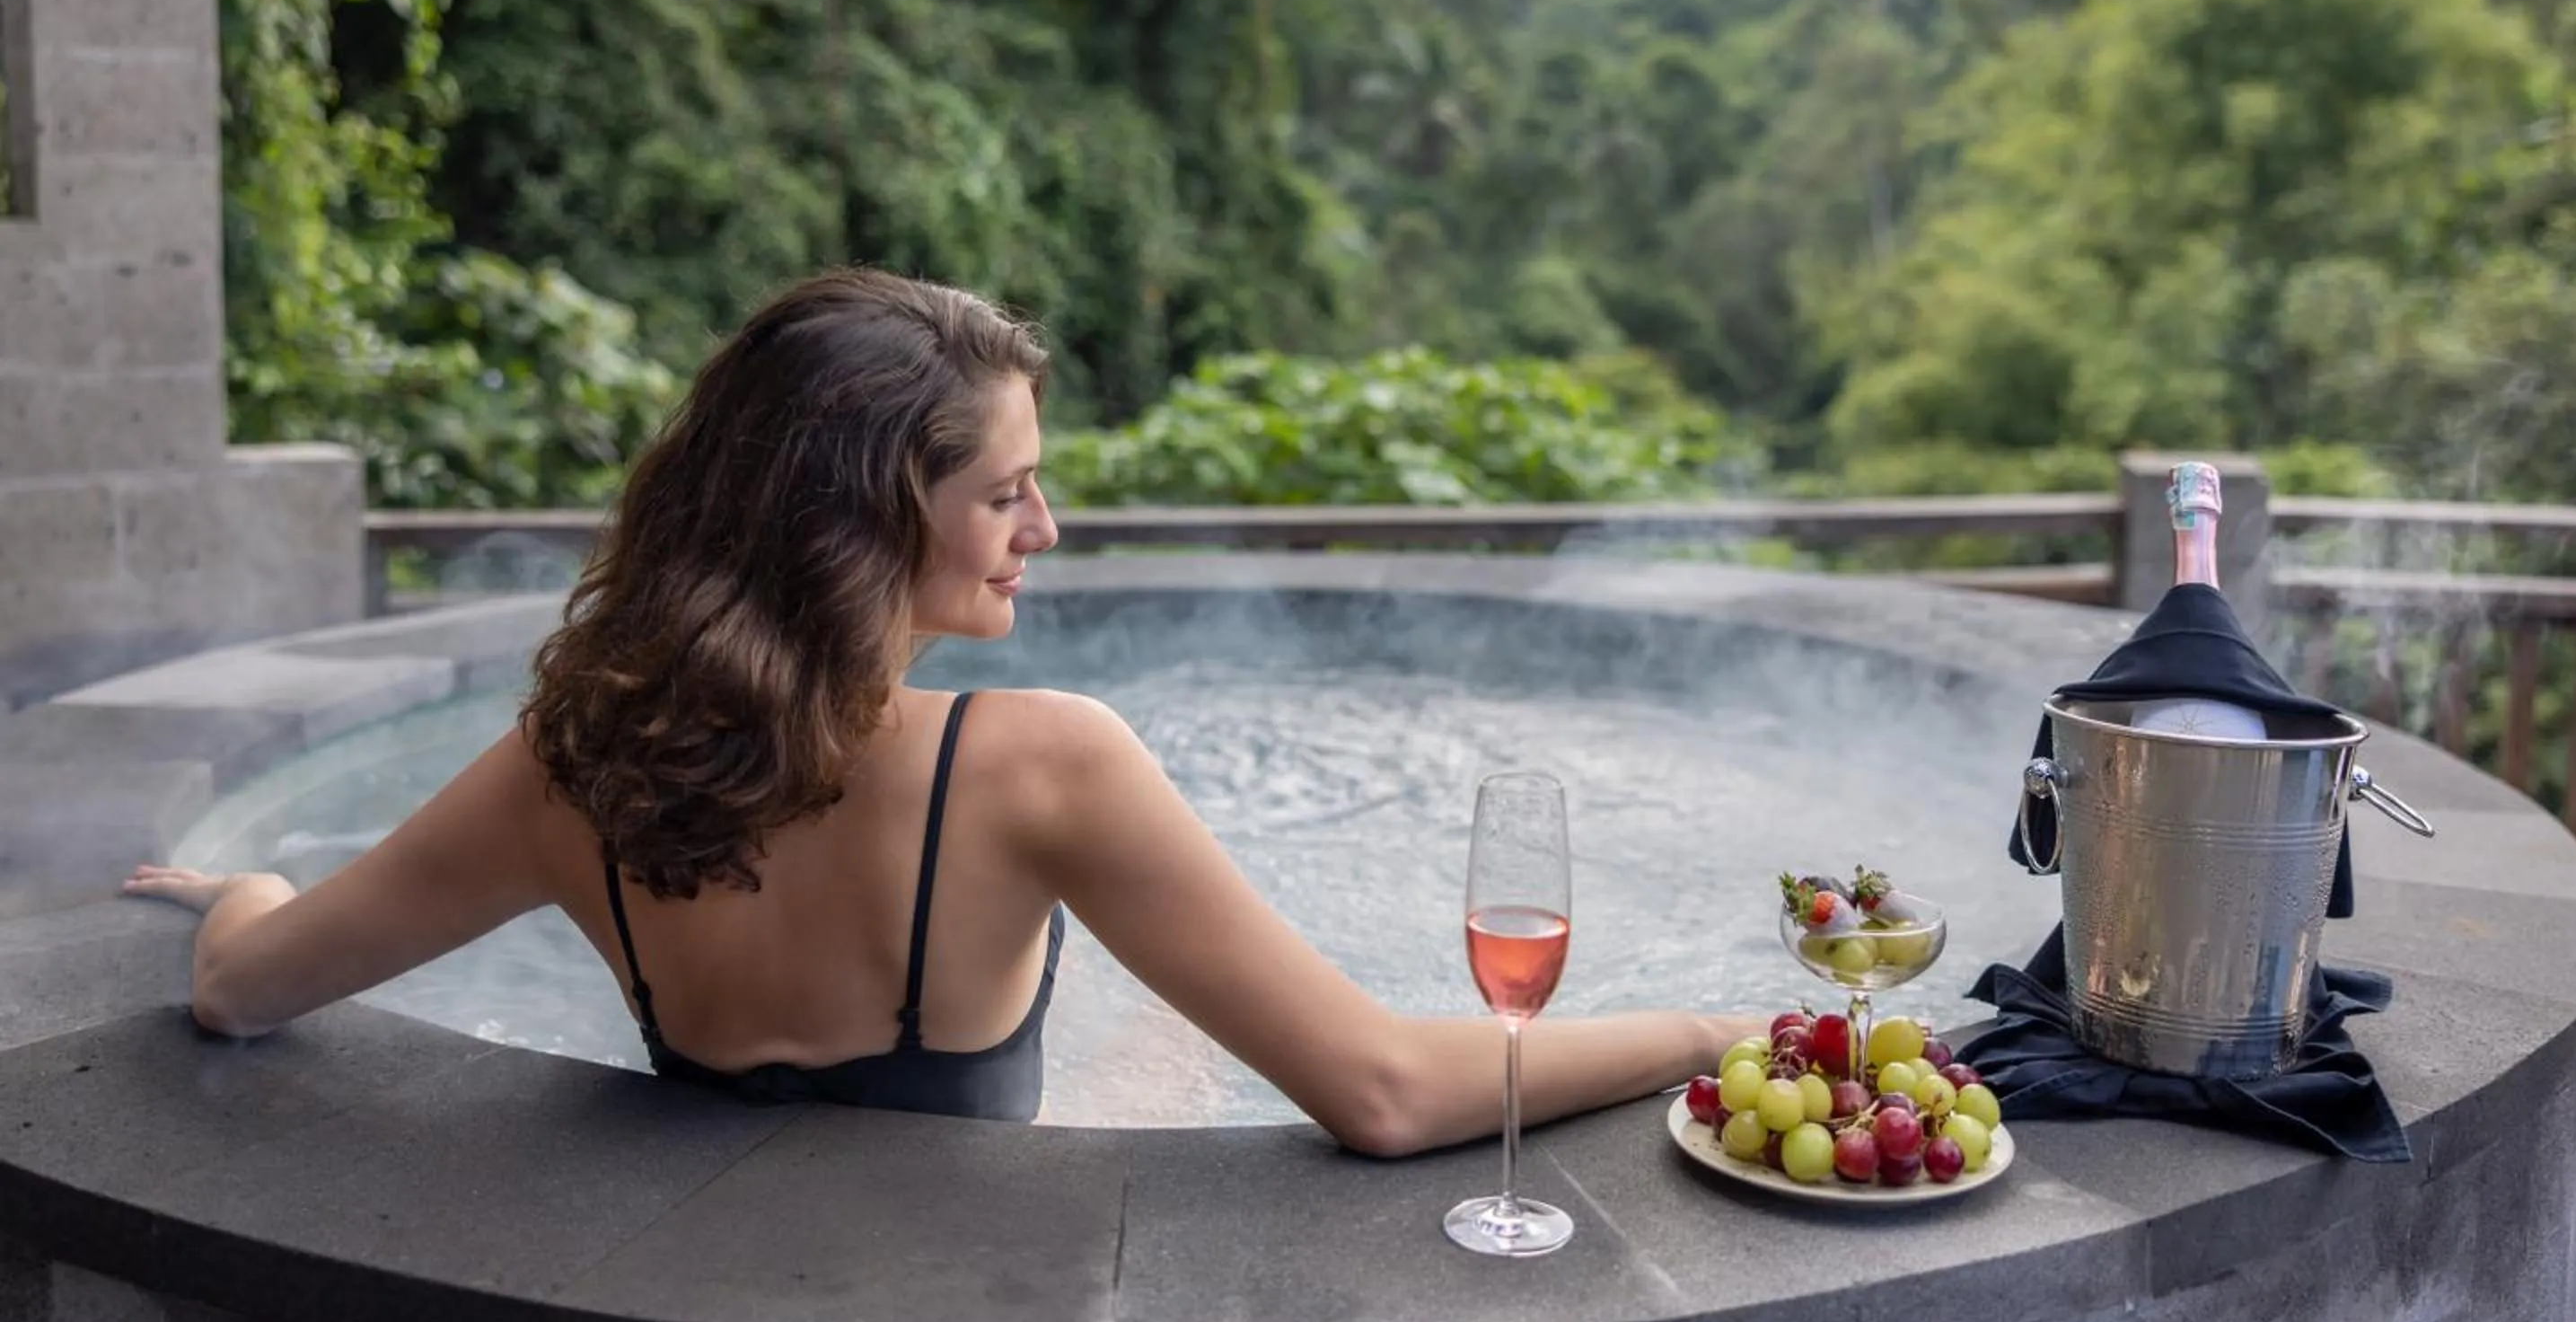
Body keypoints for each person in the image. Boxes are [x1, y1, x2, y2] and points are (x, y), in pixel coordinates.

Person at [125, 269, 1759, 1155]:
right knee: (1172, 1036)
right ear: (864, 520)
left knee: (1169, 1026)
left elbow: (242, 992)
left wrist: (246, 885)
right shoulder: (1042, 763)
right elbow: (1392, 1094)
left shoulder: (577, 766)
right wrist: (1706, 1032)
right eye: (1006, 495)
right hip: (974, 1304)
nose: (1042, 533)